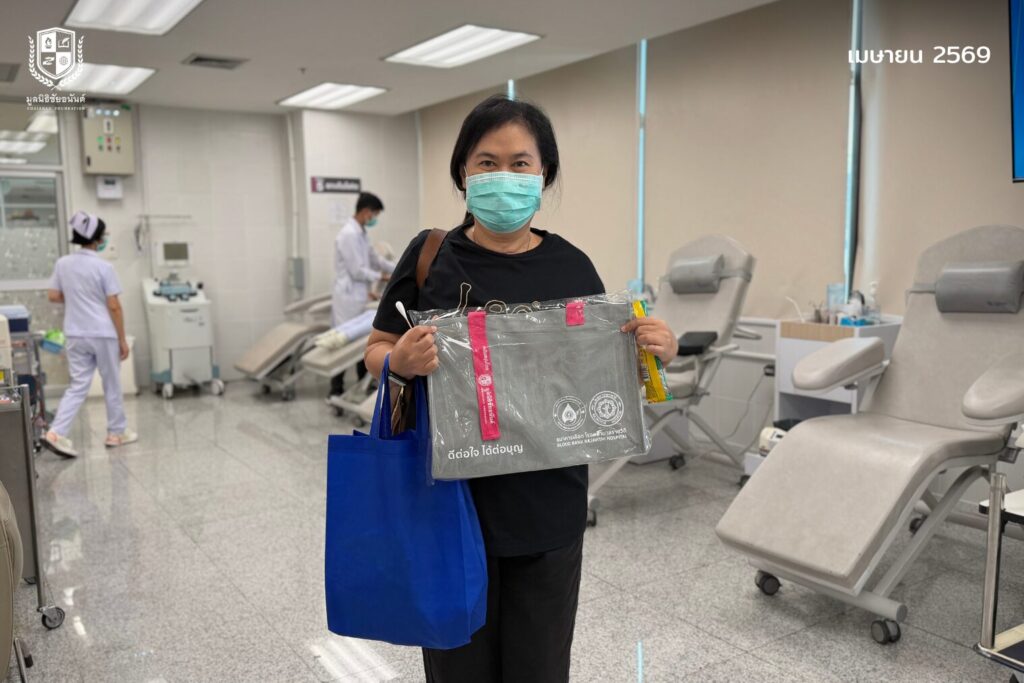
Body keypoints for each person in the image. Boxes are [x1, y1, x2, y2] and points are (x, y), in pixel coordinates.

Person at [365, 95, 679, 683]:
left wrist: (654, 352)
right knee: (458, 670)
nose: (502, 176)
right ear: (463, 172)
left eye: (519, 164)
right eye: (486, 162)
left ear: (543, 174)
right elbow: (377, 349)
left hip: (548, 509)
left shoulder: (572, 267)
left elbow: (602, 374)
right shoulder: (431, 257)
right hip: (451, 508)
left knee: (540, 668)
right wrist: (399, 362)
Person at [44, 211, 137, 458]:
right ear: (97, 239)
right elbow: (114, 306)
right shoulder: (104, 267)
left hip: (75, 332)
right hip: (103, 333)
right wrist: (122, 339)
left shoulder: (63, 264)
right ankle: (115, 433)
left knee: (77, 386)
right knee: (111, 383)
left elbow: (53, 295)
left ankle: (55, 433)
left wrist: (76, 298)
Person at [329, 192, 395, 400]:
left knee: (361, 342)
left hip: (359, 294)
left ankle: (361, 385)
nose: (374, 219)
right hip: (348, 297)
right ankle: (335, 389)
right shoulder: (348, 234)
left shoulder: (361, 233)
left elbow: (375, 259)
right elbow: (357, 271)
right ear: (366, 211)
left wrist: (399, 269)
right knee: (345, 342)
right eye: (375, 214)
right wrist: (382, 276)